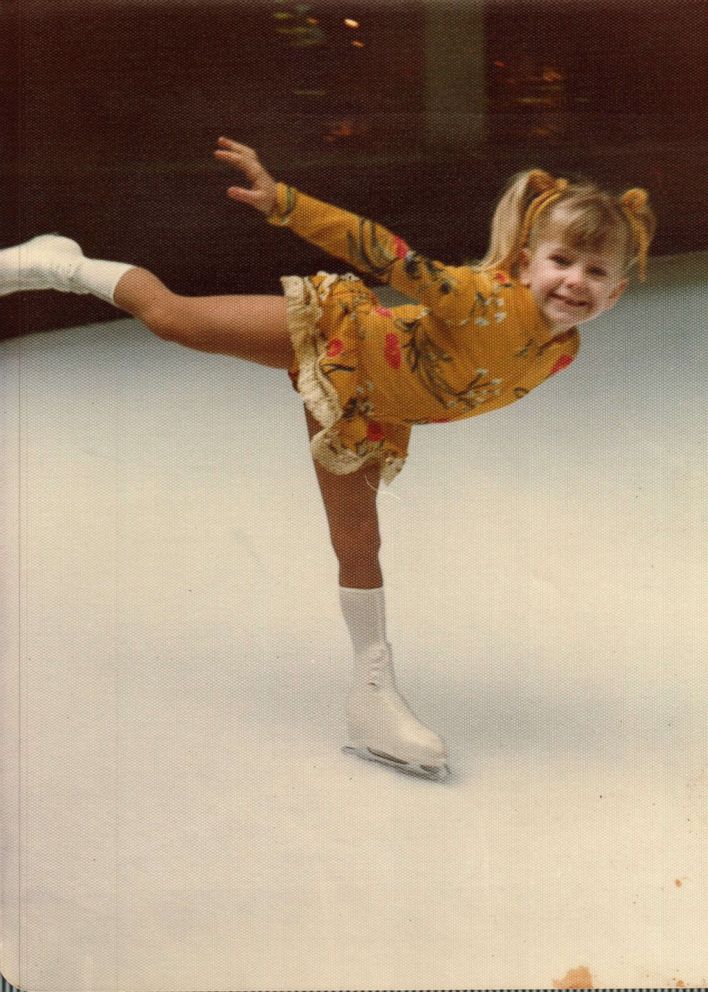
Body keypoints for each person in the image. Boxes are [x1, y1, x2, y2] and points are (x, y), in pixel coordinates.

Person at [0, 137, 656, 780]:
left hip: (370, 408)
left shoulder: (561, 351)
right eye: (562, 261)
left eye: (595, 273)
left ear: (617, 292)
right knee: (174, 319)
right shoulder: (482, 301)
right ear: (524, 261)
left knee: (358, 540)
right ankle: (59, 264)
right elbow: (383, 252)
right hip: (338, 339)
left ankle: (371, 696)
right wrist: (282, 200)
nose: (575, 282)